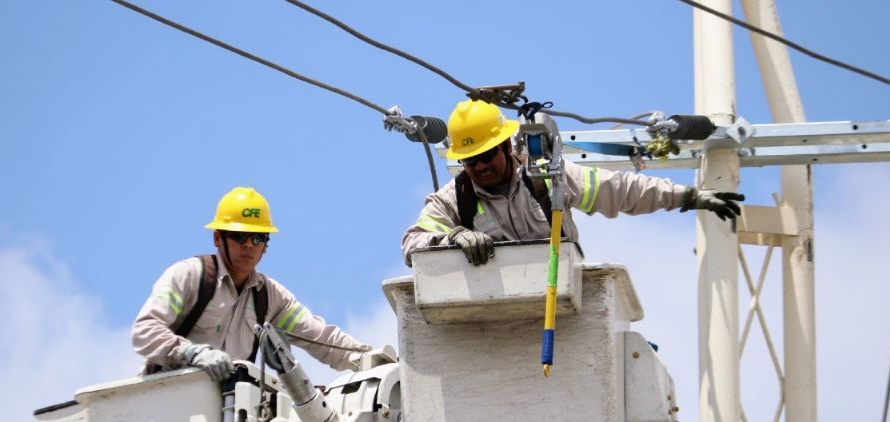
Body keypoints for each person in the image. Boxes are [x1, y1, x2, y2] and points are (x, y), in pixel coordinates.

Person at [401, 99, 744, 266]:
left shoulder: (547, 180)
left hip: (559, 299)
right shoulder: (454, 199)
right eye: (470, 160)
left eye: (486, 156)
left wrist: (688, 196)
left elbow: (621, 190)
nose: (479, 167)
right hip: (496, 314)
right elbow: (412, 244)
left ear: (506, 147)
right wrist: (453, 237)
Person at [133, 186, 374, 381]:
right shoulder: (190, 276)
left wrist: (370, 360)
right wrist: (191, 353)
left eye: (258, 237)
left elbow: (322, 338)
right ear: (218, 238)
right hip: (167, 404)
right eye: (239, 236)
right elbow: (145, 331)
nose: (249, 245)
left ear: (266, 244)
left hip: (224, 417)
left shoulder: (268, 297)